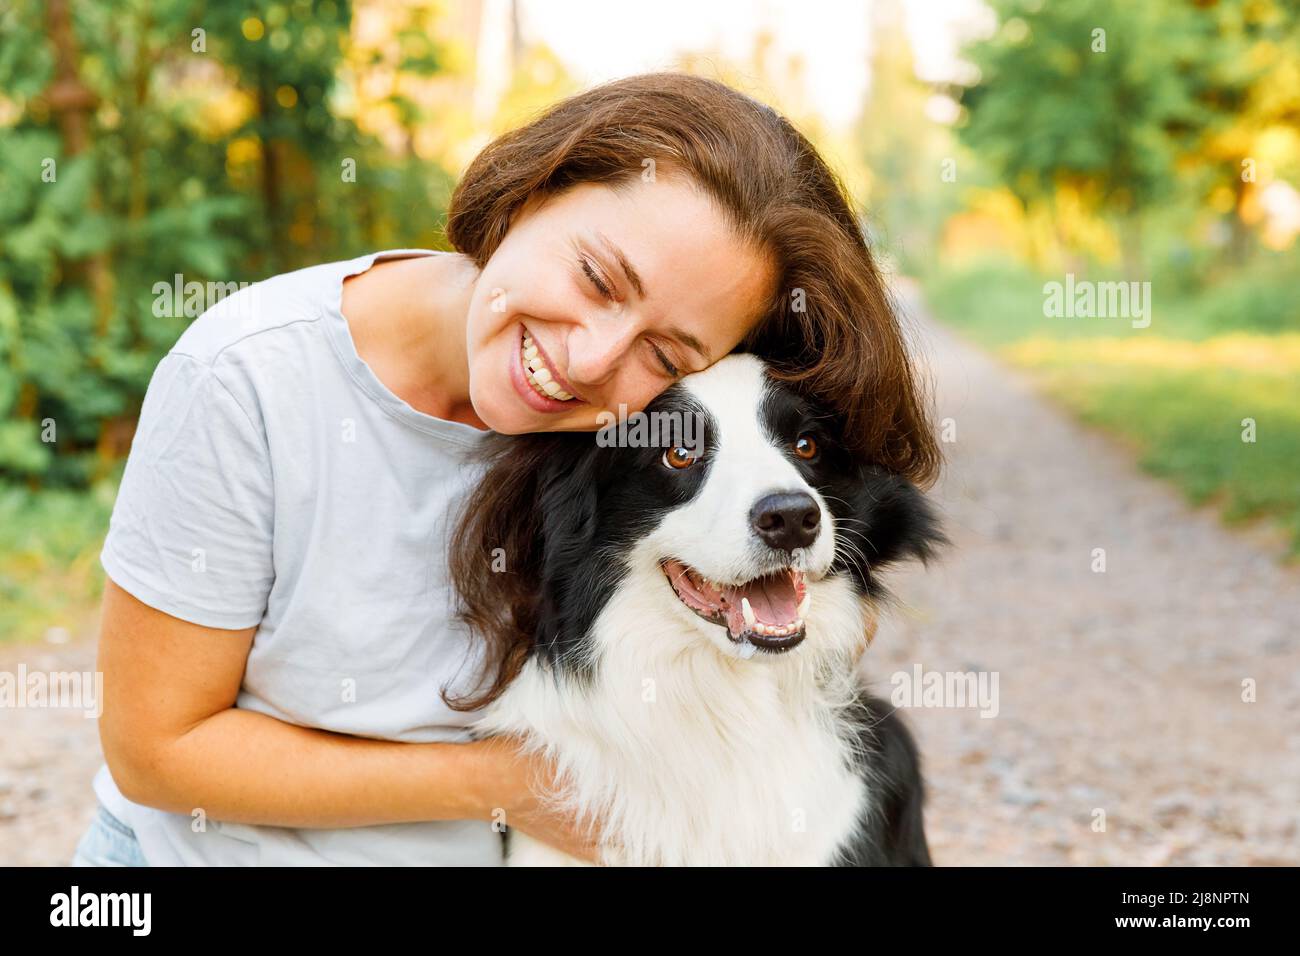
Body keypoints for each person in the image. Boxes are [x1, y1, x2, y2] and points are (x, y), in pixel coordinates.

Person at [73, 72, 940, 866]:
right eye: (597, 278)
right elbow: (156, 752)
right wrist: (501, 783)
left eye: (667, 350)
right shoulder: (245, 379)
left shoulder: (638, 426)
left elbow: (822, 556)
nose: (591, 357)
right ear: (534, 187)